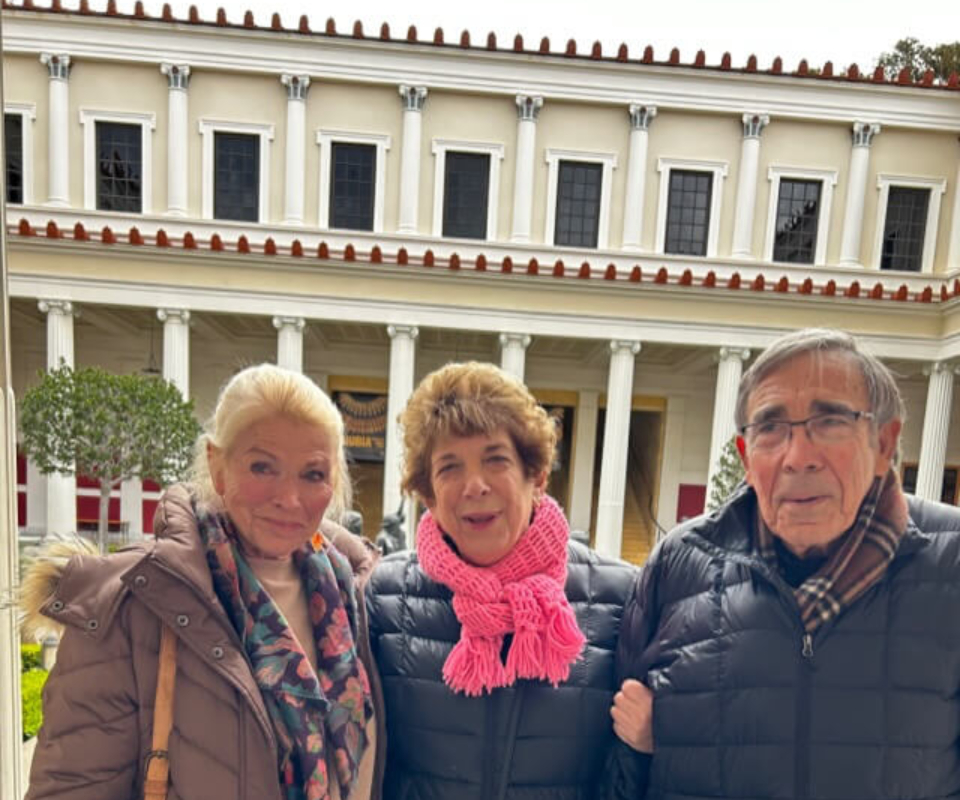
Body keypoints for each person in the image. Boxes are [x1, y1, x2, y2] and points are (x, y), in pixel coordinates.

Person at [607, 328, 960, 799]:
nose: (799, 458)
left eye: (831, 421)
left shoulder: (951, 563)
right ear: (746, 458)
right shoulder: (678, 564)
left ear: (883, 443)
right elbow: (621, 767)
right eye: (770, 428)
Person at [21, 364, 386, 800]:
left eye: (312, 474)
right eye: (262, 467)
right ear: (218, 465)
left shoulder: (352, 595)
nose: (289, 499)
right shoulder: (135, 602)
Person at [366, 361, 636, 799]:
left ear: (537, 476)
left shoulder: (618, 599)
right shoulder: (385, 598)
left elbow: (628, 772)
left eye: (496, 460)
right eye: (449, 468)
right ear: (428, 495)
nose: (474, 485)